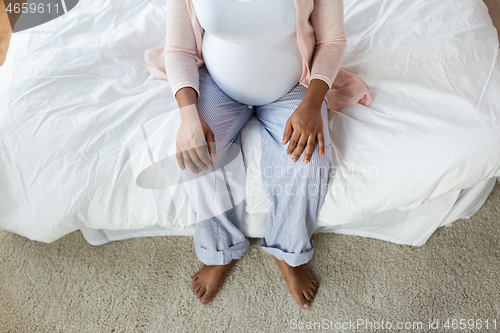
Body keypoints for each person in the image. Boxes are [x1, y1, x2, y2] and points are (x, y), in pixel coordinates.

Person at [144, 0, 371, 309]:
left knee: (309, 161)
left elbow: (332, 40)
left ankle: (288, 253)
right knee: (198, 157)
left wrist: (311, 104)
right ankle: (220, 251)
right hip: (218, 84)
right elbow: (180, 49)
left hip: (293, 86)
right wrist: (188, 116)